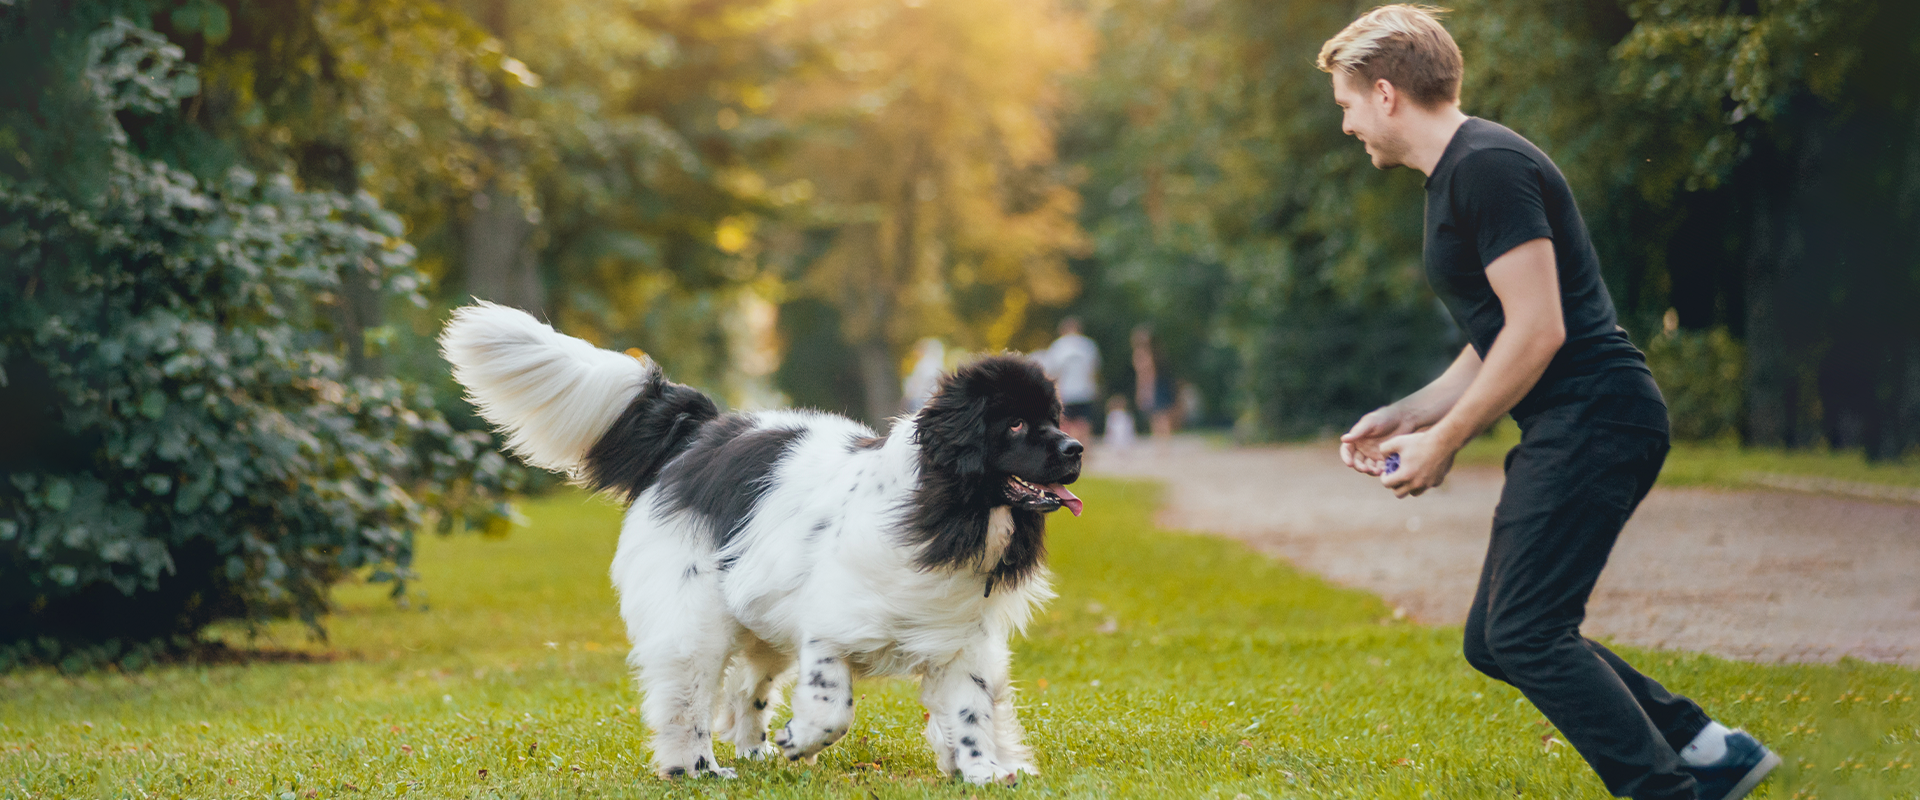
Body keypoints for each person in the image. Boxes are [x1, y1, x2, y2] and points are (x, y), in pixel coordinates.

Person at [1317, 7, 1778, 800]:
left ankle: (1666, 787)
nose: (1348, 123)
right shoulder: (1458, 175)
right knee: (1497, 639)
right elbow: (1497, 329)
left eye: (1347, 104)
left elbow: (1540, 329)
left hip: (1598, 416)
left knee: (1526, 632)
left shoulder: (1486, 166)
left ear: (1386, 94)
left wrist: (1450, 441)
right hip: (1577, 420)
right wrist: (1413, 413)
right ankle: (1709, 750)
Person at [1039, 317, 1100, 444]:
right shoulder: (1088, 345)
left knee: (1065, 425)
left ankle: (1069, 451)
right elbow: (1093, 370)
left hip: (1065, 392)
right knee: (1084, 424)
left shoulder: (1058, 346)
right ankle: (1084, 453)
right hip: (1084, 391)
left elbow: (1051, 373)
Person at [1130, 325, 1175, 440]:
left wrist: (1144, 391)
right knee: (1162, 415)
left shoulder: (1140, 354)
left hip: (1152, 386)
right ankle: (1164, 442)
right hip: (1161, 384)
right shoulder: (1156, 352)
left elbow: (1145, 374)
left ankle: (1161, 443)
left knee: (1156, 417)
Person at [901, 337, 946, 413]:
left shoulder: (924, 363)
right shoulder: (937, 364)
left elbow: (917, 382)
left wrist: (909, 393)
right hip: (930, 398)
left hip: (920, 398)